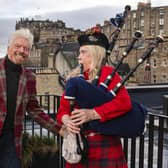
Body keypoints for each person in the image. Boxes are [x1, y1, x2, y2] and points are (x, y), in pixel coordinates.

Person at [57, 27, 132, 168]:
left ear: (95, 54)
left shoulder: (108, 74)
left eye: (83, 52)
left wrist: (93, 114)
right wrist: (66, 120)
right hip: (78, 147)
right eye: (79, 52)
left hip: (105, 146)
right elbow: (63, 109)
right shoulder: (73, 78)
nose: (79, 56)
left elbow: (124, 103)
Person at [0, 28, 65, 168]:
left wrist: (59, 129)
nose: (21, 51)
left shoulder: (29, 77)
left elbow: (34, 110)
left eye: (26, 48)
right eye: (18, 46)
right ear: (9, 47)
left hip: (11, 140)